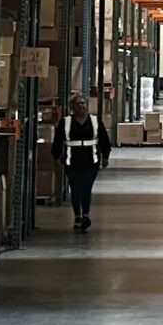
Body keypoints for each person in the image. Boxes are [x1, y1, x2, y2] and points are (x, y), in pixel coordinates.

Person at [61, 96, 114, 232]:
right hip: (72, 162)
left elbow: (104, 140)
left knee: (86, 188)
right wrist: (56, 157)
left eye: (83, 103)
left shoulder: (95, 122)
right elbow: (57, 141)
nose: (81, 106)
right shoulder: (66, 123)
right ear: (72, 107)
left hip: (91, 162)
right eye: (78, 104)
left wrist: (106, 156)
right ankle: (77, 215)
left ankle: (85, 213)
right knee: (75, 189)